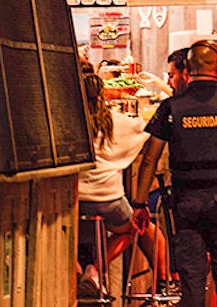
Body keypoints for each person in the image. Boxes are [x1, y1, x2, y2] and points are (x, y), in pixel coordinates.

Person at [131, 40, 217, 307]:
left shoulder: (171, 108)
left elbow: (149, 160)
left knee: (191, 282)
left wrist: (139, 204)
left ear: (188, 70)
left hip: (186, 202)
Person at [77, 71, 167, 294]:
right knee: (133, 229)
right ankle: (95, 270)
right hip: (108, 199)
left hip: (74, 201)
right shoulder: (116, 121)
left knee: (66, 234)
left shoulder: (69, 120)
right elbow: (148, 130)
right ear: (102, 94)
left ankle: (76, 273)